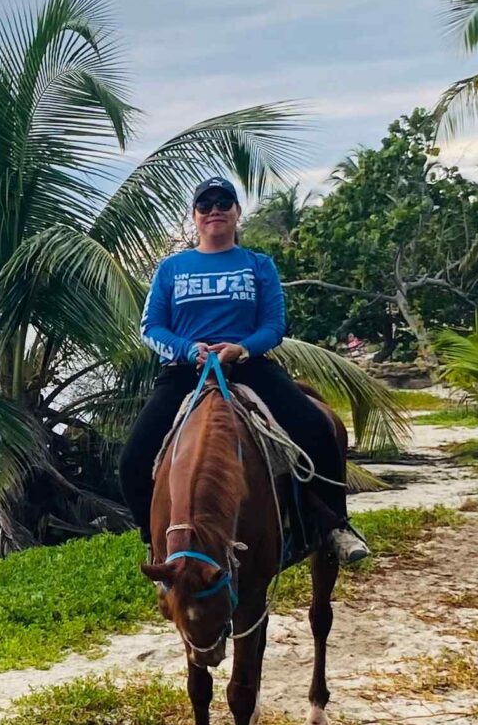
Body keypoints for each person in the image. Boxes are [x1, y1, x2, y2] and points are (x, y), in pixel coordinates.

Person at [117, 177, 368, 563]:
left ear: (237, 213)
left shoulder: (258, 265)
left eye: (223, 202)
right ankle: (153, 541)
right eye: (205, 204)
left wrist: (241, 348)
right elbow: (151, 328)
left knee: (318, 430)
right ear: (195, 215)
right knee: (132, 460)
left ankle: (335, 525)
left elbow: (274, 326)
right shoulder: (171, 268)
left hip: (248, 368)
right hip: (187, 372)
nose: (214, 209)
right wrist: (187, 350)